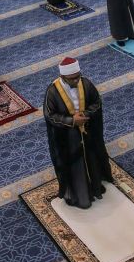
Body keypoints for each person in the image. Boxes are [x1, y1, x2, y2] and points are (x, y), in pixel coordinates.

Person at [44, 57, 114, 209]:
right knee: (76, 165)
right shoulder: (52, 91)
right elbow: (50, 115)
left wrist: (85, 115)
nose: (76, 80)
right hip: (68, 137)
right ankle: (81, 195)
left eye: (78, 76)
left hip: (88, 130)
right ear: (63, 77)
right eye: (72, 79)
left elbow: (97, 102)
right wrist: (72, 121)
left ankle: (95, 187)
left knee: (92, 158)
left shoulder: (86, 83)